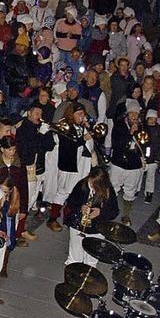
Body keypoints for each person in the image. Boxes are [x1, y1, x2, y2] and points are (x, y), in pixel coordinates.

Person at [48, 103, 94, 232]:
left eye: (83, 114)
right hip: (70, 165)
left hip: (82, 164)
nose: (82, 116)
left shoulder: (82, 126)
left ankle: (70, 219)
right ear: (71, 114)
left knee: (78, 193)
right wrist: (83, 138)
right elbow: (69, 144)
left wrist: (88, 129)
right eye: (79, 114)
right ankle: (52, 219)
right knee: (64, 192)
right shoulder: (65, 126)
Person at [64, 167, 119, 266]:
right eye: (91, 182)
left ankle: (89, 272)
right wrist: (80, 208)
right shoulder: (82, 185)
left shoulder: (108, 190)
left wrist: (100, 212)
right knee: (75, 255)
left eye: (95, 185)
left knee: (91, 257)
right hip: (78, 225)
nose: (92, 186)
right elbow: (71, 202)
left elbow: (114, 212)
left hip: (96, 228)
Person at [109, 101, 145, 226]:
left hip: (134, 165)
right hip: (119, 163)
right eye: (132, 113)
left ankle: (126, 215)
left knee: (130, 190)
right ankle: (110, 211)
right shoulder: (119, 125)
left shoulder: (142, 127)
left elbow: (145, 145)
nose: (134, 116)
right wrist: (129, 134)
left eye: (136, 113)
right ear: (127, 114)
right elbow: (116, 144)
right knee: (113, 187)